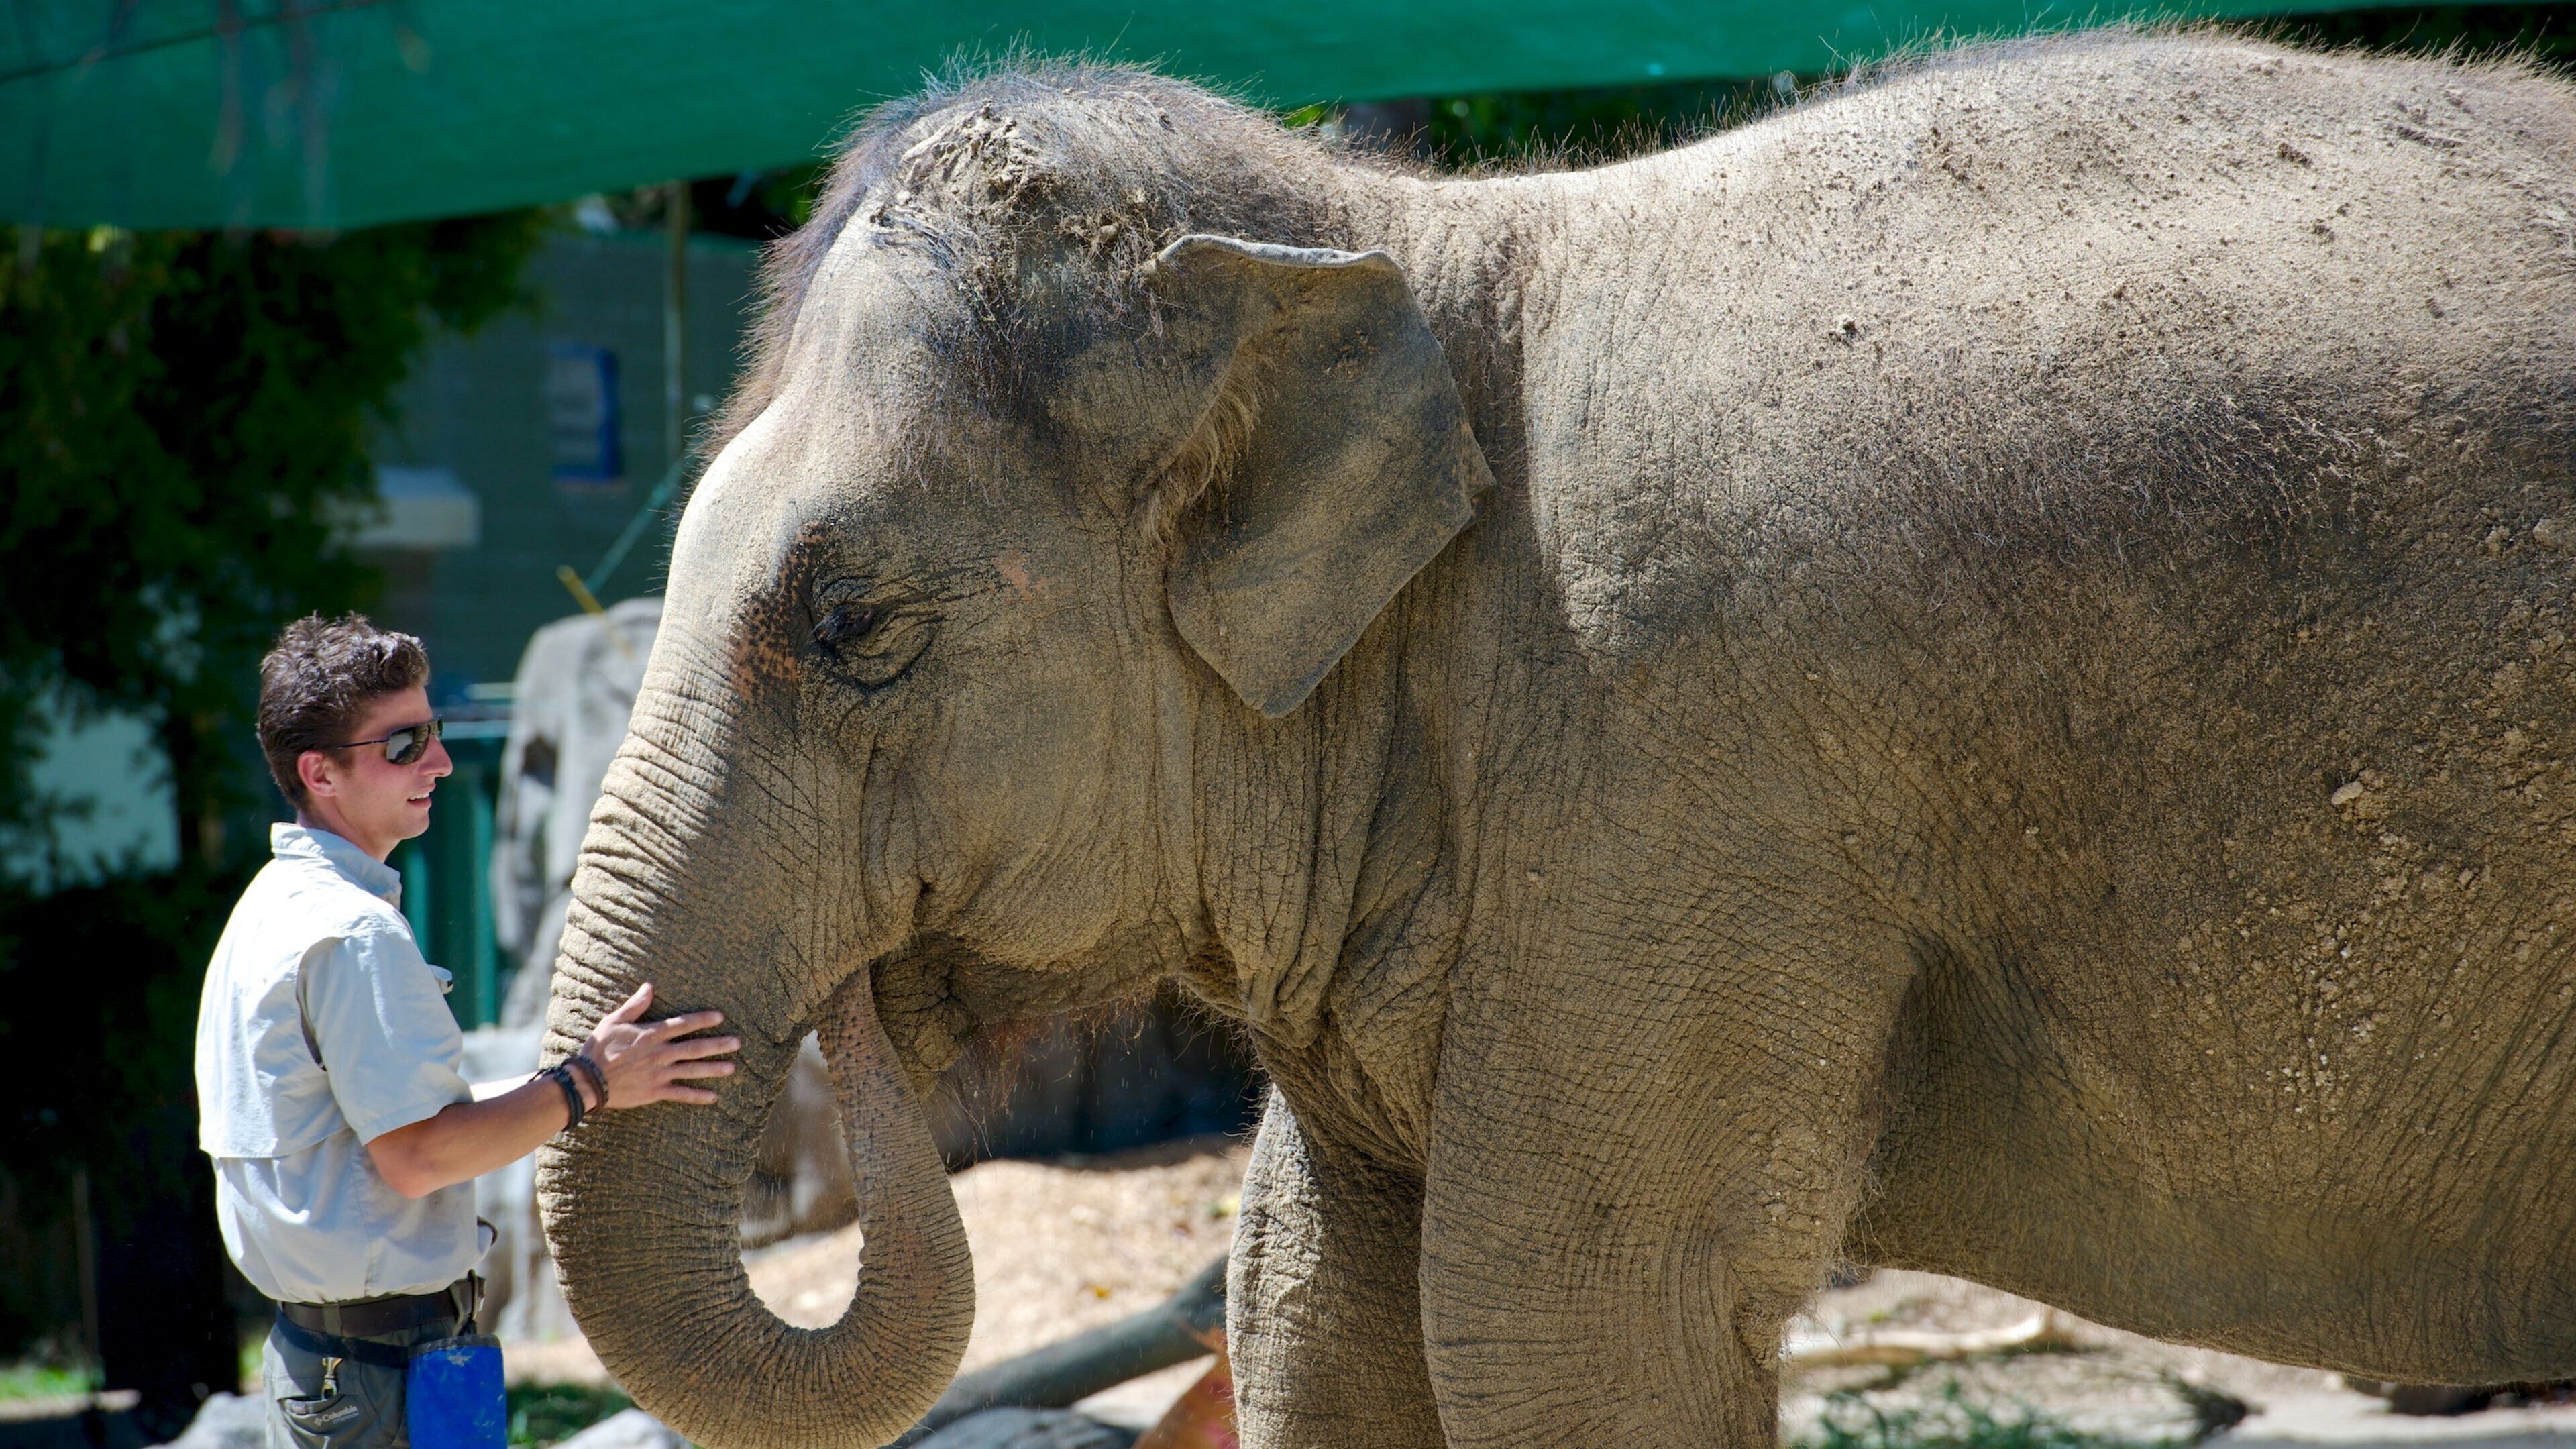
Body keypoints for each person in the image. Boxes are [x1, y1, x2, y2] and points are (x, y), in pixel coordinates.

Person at [194, 614, 741, 1449]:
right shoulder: (352, 934)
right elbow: (418, 1157)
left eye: (435, 733)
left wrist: (571, 1083)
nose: (441, 763)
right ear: (320, 773)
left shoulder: (270, 906)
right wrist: (591, 1083)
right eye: (404, 745)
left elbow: (365, 1135)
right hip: (382, 1378)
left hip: (337, 1360)